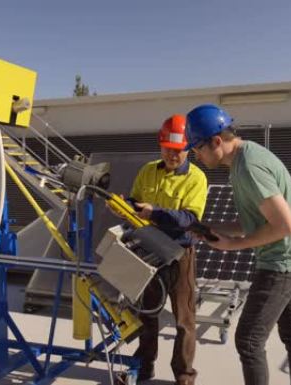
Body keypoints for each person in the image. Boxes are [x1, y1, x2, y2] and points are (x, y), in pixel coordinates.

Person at [185, 104, 291, 385]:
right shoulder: (242, 160)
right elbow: (256, 219)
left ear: (217, 142)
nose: (195, 156)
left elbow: (284, 226)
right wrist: (213, 229)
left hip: (282, 261)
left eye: (197, 148)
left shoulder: (249, 168)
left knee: (248, 339)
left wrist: (234, 245)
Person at [117, 114, 208, 385]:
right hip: (149, 252)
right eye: (167, 149)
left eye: (177, 151)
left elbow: (190, 220)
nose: (172, 155)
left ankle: (184, 375)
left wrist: (154, 213)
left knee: (184, 320)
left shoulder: (196, 178)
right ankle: (144, 366)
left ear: (188, 149)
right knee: (148, 314)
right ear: (160, 146)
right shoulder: (148, 171)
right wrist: (124, 206)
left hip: (180, 255)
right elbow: (136, 201)